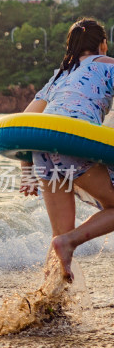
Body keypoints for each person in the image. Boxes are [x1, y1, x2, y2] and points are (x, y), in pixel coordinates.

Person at [18, 18, 114, 282]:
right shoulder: (109, 65)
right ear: (102, 44)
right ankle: (71, 241)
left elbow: (26, 121)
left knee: (57, 234)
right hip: (75, 143)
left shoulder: (61, 74)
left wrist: (26, 171)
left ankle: (48, 297)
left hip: (43, 147)